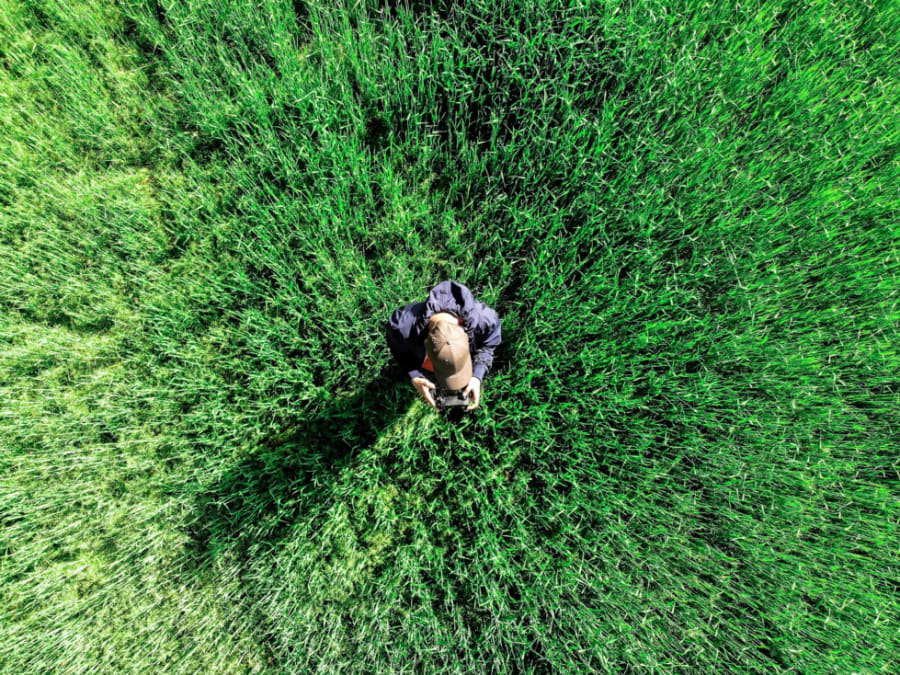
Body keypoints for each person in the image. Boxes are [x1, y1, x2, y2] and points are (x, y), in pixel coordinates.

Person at [384, 280, 501, 411]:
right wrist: (414, 375)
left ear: (467, 336)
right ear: (426, 343)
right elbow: (400, 352)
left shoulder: (486, 322)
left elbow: (487, 347)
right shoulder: (401, 328)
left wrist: (477, 376)